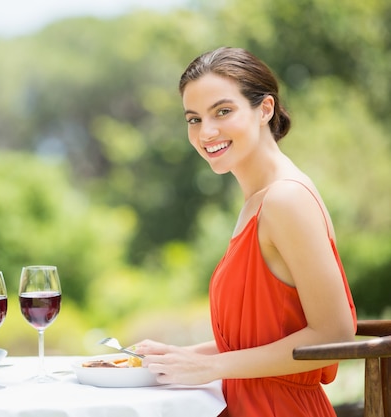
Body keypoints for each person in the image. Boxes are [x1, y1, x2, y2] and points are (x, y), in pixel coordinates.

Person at [135, 47, 357, 416]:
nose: (206, 132)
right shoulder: (257, 200)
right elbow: (264, 339)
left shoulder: (285, 199)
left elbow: (334, 334)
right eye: (193, 119)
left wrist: (212, 367)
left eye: (223, 111)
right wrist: (180, 357)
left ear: (264, 109)